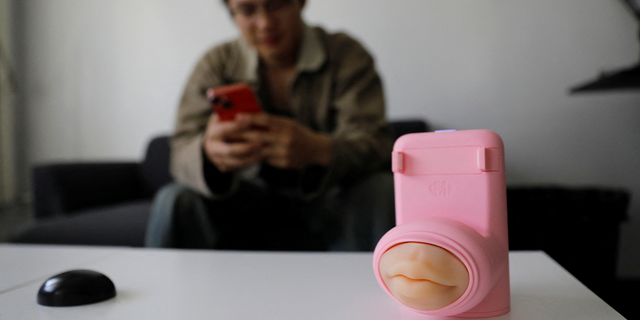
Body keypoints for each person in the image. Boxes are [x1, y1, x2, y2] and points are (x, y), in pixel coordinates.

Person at [146, 0, 394, 251]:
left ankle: (381, 285)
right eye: (247, 9)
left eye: (277, 4)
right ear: (232, 13)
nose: (265, 23)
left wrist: (319, 149)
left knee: (381, 188)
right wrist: (209, 155)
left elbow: (375, 141)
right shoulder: (216, 63)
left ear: (300, 2)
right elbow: (180, 151)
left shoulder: (346, 54)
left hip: (332, 197)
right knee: (175, 199)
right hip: (241, 201)